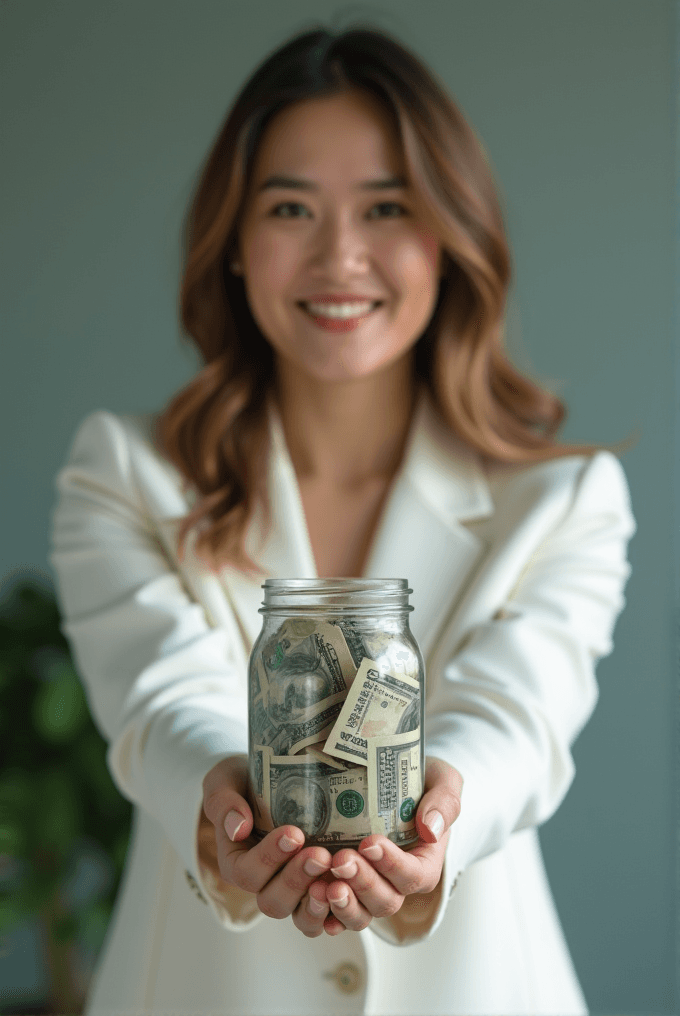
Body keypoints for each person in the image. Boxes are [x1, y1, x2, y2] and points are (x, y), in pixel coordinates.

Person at [49, 20, 636, 1016]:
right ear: (232, 242)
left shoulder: (562, 498)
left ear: (449, 240)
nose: (340, 255)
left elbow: (519, 715)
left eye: (386, 207)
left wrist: (445, 811)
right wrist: (230, 806)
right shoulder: (123, 471)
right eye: (289, 207)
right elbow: (156, 699)